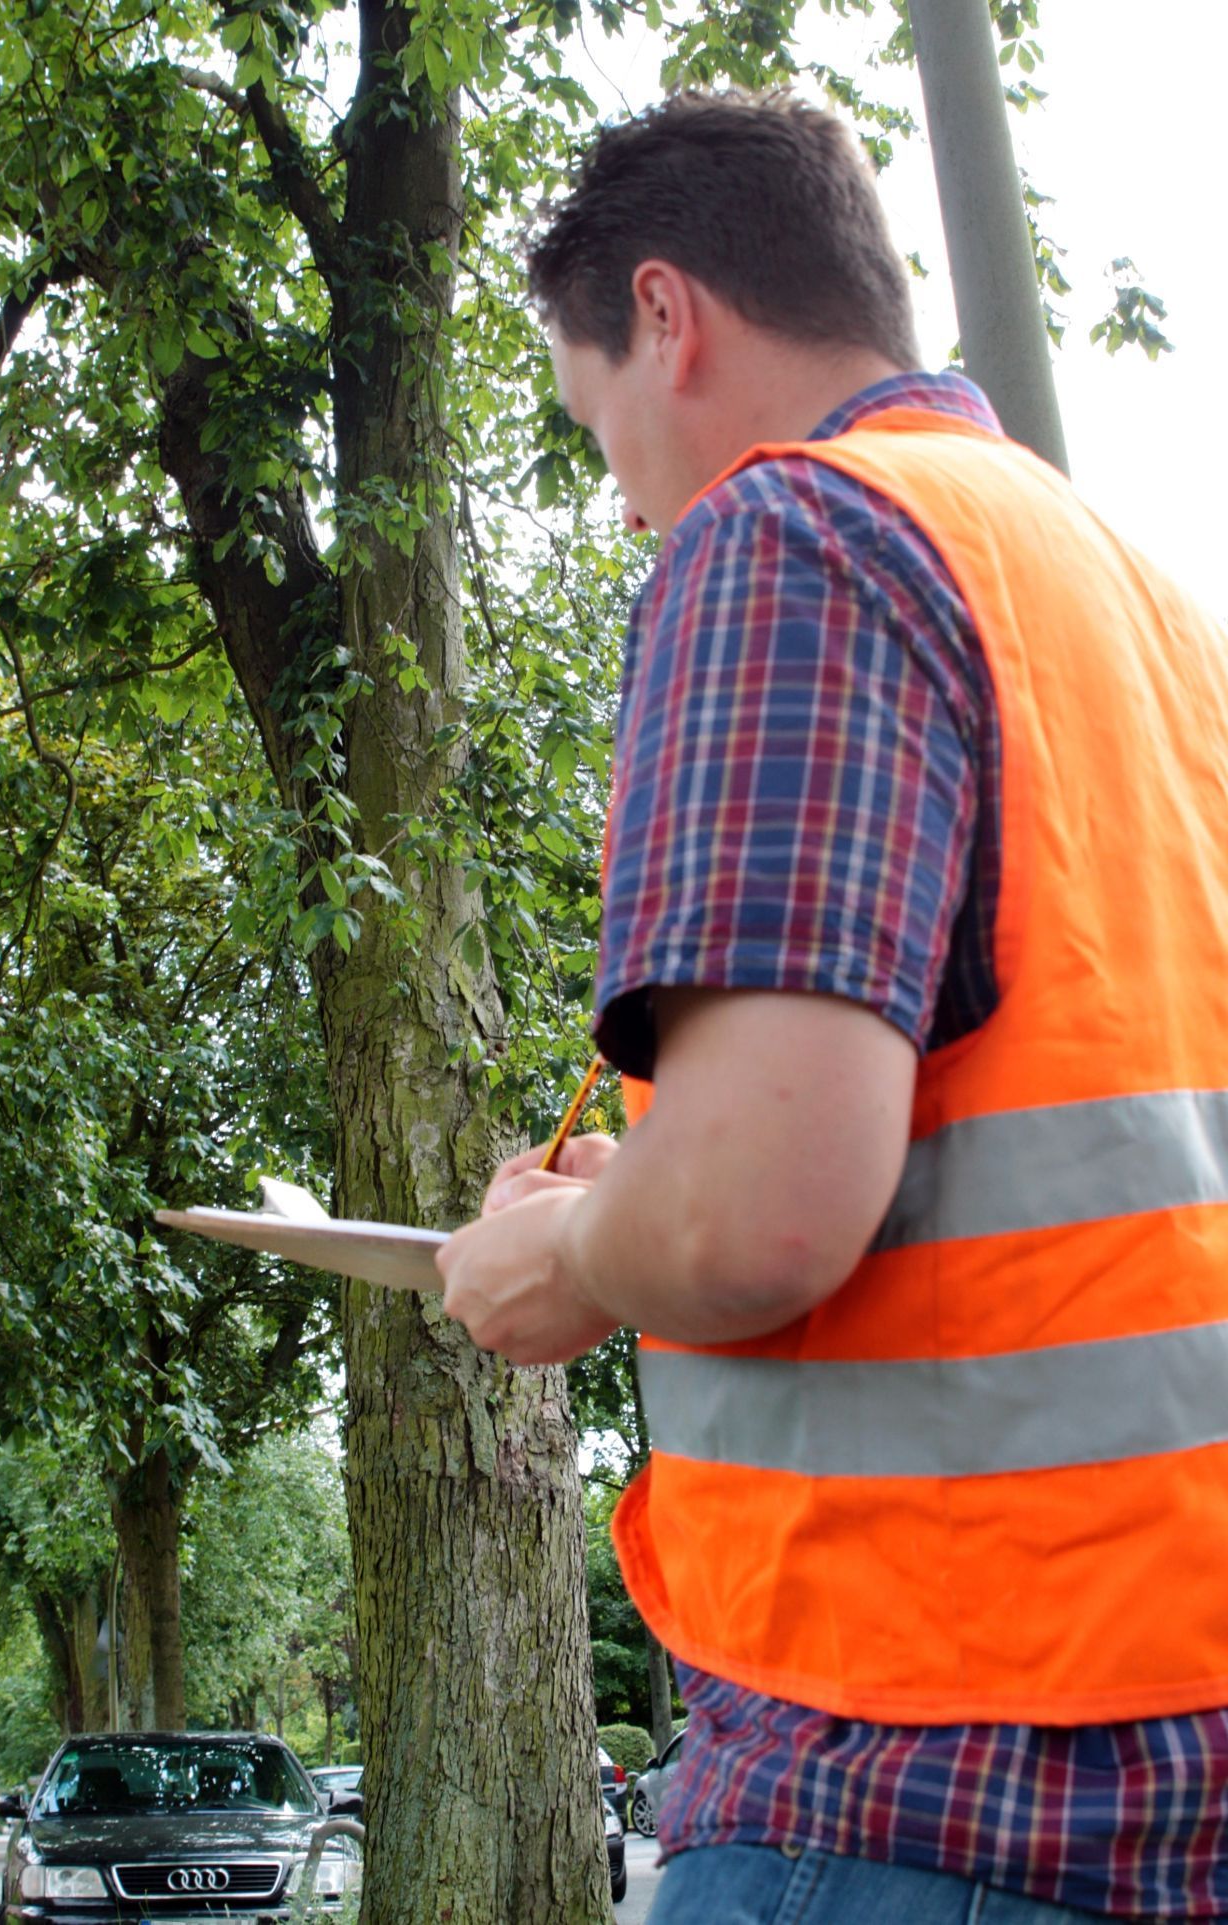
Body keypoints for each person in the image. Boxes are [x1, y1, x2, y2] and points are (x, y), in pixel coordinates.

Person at [435, 89, 1228, 1923]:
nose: (629, 496)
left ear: (667, 316)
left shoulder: (792, 532)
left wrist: (568, 1252)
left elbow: (750, 1212)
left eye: (598, 427)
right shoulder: (1150, 614)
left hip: (903, 1772)